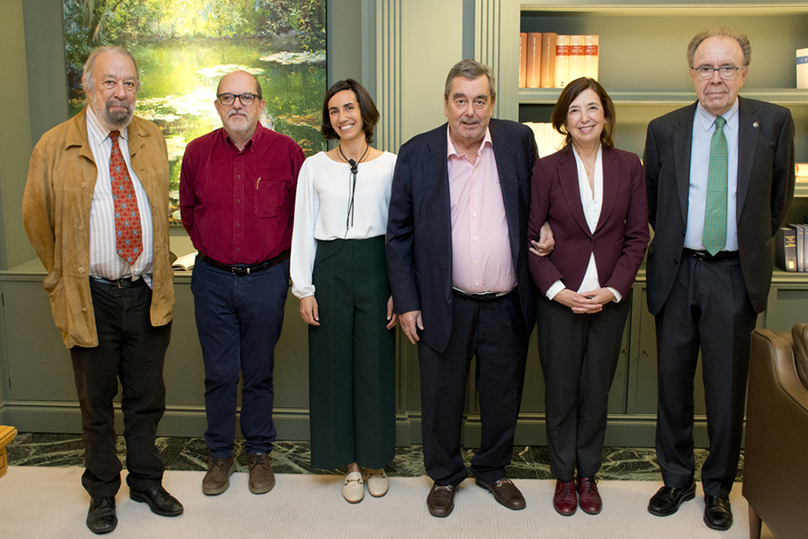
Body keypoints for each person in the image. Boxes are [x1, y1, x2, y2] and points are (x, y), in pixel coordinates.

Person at [22, 45, 181, 535]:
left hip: (146, 291)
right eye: (110, 82)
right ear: (88, 86)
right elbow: (36, 219)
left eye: (129, 83)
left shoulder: (152, 137)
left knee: (147, 398)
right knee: (96, 404)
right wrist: (64, 275)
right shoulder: (54, 145)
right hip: (90, 296)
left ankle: (147, 482)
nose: (121, 93)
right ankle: (103, 492)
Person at [386, 59, 553, 517]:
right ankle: (444, 476)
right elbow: (398, 235)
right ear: (446, 103)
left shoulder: (519, 141)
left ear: (492, 104)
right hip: (443, 302)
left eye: (480, 101)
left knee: (503, 395)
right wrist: (407, 302)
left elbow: (541, 200)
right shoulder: (417, 153)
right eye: (461, 100)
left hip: (507, 302)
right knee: (442, 397)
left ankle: (493, 470)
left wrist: (549, 226)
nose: (470, 111)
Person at [644, 27, 794, 531]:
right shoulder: (664, 129)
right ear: (692, 74)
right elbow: (653, 200)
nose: (716, 78)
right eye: (706, 68)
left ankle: (718, 489)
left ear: (744, 73)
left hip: (733, 273)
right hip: (677, 271)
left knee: (726, 393)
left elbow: (777, 201)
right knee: (672, 385)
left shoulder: (773, 122)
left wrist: (743, 244)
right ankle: (676, 479)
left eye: (727, 67)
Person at [527, 78, 649, 517]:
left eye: (592, 108)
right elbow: (531, 239)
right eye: (575, 110)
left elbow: (637, 237)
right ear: (564, 119)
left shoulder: (629, 166)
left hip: (609, 301)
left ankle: (588, 476)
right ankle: (564, 476)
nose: (584, 118)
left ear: (606, 115)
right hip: (560, 301)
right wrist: (559, 292)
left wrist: (614, 289)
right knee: (561, 394)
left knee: (596, 392)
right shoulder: (546, 169)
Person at [180, 70, 304, 496]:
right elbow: (189, 212)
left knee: (258, 371)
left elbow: (299, 216)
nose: (237, 105)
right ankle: (219, 455)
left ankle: (258, 452)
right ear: (217, 105)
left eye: (246, 97)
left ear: (260, 104)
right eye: (228, 97)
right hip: (212, 279)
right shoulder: (196, 153)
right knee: (218, 374)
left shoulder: (287, 152)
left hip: (266, 279)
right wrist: (213, 250)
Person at [290, 79, 398, 504]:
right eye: (334, 111)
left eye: (349, 108)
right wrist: (304, 289)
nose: (342, 117)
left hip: (376, 266)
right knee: (333, 368)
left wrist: (400, 289)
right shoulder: (314, 167)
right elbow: (303, 227)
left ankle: (375, 460)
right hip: (330, 266)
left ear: (364, 112)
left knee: (375, 366)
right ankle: (350, 464)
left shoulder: (391, 165)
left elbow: (401, 232)